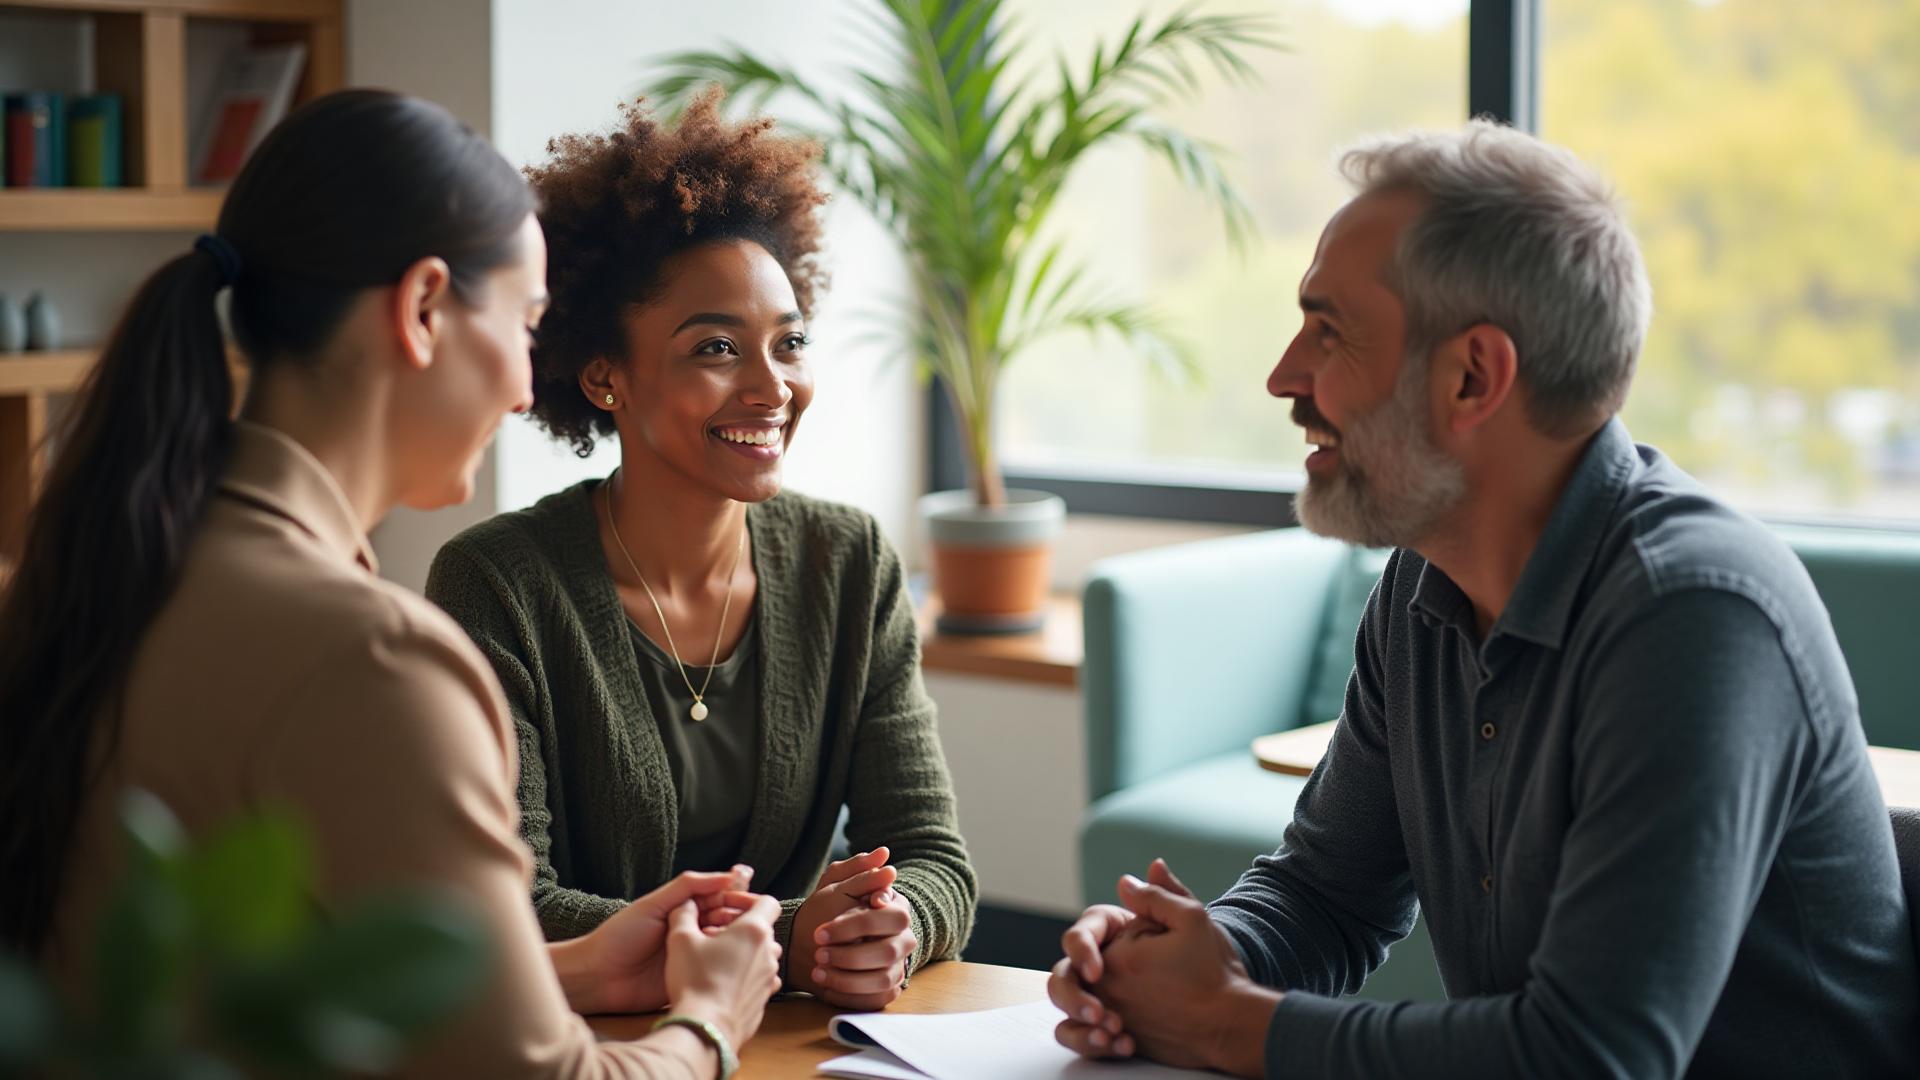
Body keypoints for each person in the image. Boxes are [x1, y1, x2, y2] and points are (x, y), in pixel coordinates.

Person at [1047, 121, 1920, 1078]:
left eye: (1328, 331)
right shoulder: (1425, 584)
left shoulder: (1695, 612)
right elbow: (1329, 894)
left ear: (1473, 376)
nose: (1283, 377)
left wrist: (1221, 1023)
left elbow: (1590, 1056)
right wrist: (1192, 959)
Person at [0, 89, 785, 1078]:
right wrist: (711, 1019)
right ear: (422, 310)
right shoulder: (373, 661)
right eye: (525, 322)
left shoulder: (107, 567)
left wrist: (570, 970)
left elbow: (243, 989)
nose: (519, 385)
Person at [425, 91, 976, 1012]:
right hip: (593, 1046)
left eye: (788, 343)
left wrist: (889, 926)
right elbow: (507, 902)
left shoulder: (849, 562)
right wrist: (785, 936)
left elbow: (936, 858)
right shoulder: (499, 584)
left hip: (799, 1045)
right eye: (717, 347)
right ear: (605, 375)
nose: (772, 389)